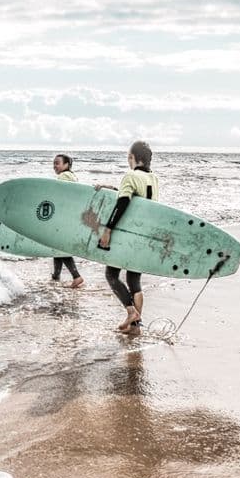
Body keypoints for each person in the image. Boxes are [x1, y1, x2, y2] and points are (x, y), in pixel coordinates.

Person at [94, 140, 158, 335]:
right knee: (133, 281)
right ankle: (135, 326)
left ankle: (131, 313)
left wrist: (108, 229)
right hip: (144, 236)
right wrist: (111, 188)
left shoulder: (130, 175)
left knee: (111, 275)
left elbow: (123, 203)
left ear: (132, 157)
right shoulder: (153, 178)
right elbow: (137, 199)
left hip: (128, 236)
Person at [51, 153, 84, 288]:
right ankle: (56, 275)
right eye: (53, 163)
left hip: (63, 217)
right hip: (70, 217)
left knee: (59, 248)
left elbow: (58, 196)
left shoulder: (64, 176)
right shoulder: (72, 176)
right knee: (56, 247)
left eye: (57, 163)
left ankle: (77, 276)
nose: (54, 166)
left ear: (66, 165)